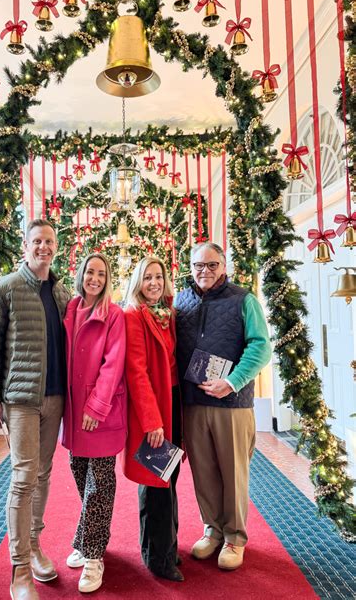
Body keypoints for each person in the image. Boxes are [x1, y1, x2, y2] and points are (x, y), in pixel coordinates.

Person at [0, 219, 70, 600]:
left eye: (49, 241)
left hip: (55, 397)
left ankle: (33, 546)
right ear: (26, 245)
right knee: (24, 477)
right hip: (20, 400)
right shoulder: (6, 287)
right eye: (37, 241)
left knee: (43, 474)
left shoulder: (61, 293)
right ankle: (19, 568)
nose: (43, 247)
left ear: (56, 246)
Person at [175, 241, 272, 571]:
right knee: (203, 472)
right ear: (191, 267)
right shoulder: (180, 301)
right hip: (193, 403)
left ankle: (234, 537)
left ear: (224, 266)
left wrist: (231, 382)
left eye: (212, 265)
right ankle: (213, 529)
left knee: (233, 473)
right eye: (199, 265)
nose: (205, 271)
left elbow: (260, 347)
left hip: (231, 403)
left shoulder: (244, 300)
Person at [62, 253, 127, 593]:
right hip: (73, 413)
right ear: (81, 274)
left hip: (100, 412)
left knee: (99, 484)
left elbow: (113, 365)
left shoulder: (113, 314)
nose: (95, 278)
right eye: (90, 271)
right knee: (79, 474)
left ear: (107, 279)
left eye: (101, 274)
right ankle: (87, 537)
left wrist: (97, 405)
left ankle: (93, 555)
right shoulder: (70, 309)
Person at [122, 256, 183, 582]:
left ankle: (169, 546)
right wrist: (151, 421)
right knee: (155, 483)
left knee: (169, 480)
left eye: (159, 277)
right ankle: (157, 558)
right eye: (148, 278)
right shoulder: (134, 315)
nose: (154, 283)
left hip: (173, 402)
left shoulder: (167, 313)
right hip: (154, 409)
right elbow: (136, 371)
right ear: (138, 282)